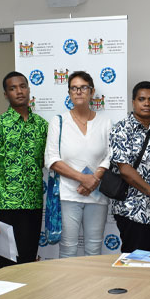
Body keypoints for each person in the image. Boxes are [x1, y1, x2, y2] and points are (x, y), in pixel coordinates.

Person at [0, 71, 47, 268]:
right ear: (6, 94)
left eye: (22, 86)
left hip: (33, 203)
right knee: (5, 264)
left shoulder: (42, 126)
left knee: (28, 261)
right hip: (6, 205)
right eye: (13, 88)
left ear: (28, 90)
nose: (19, 91)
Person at [44, 71, 112, 258]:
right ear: (69, 93)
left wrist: (94, 179)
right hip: (68, 195)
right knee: (68, 249)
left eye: (83, 87)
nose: (79, 91)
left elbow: (111, 155)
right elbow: (51, 159)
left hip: (97, 195)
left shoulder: (105, 122)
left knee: (94, 250)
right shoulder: (58, 122)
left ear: (92, 91)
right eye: (74, 88)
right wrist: (84, 179)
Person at [109, 81, 150, 253]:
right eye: (142, 99)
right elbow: (125, 170)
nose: (147, 103)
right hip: (133, 211)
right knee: (135, 262)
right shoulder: (121, 129)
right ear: (133, 102)